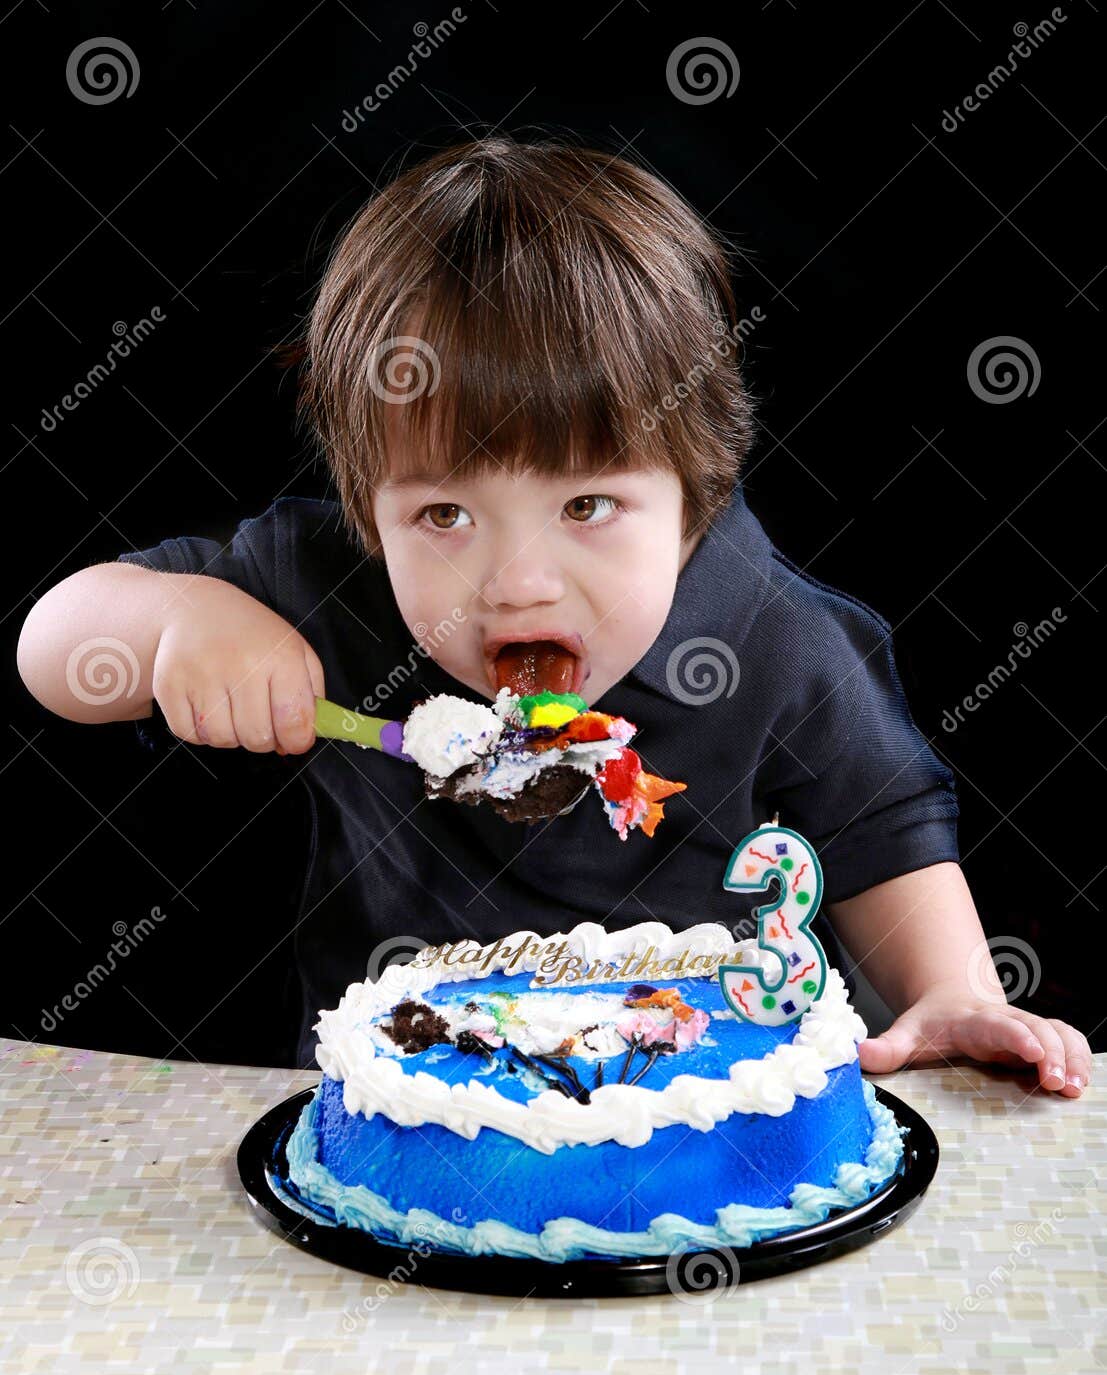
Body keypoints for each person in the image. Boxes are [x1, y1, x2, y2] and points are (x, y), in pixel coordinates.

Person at [17, 135, 1090, 1092]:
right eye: (443, 512)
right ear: (367, 511)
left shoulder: (771, 638)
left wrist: (949, 991)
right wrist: (170, 622)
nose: (516, 581)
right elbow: (48, 651)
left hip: (692, 1122)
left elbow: (882, 840)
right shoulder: (325, 593)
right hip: (398, 1136)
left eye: (586, 505)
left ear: (691, 498)